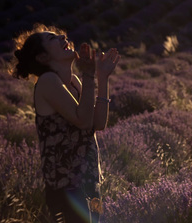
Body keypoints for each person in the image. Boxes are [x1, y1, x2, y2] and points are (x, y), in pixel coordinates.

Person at [12, 24, 120, 223]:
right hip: (66, 187)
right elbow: (82, 120)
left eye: (60, 35)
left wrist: (102, 78)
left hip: (89, 181)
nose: (63, 37)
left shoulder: (74, 82)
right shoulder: (47, 81)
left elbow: (97, 124)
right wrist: (89, 75)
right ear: (42, 57)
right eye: (53, 38)